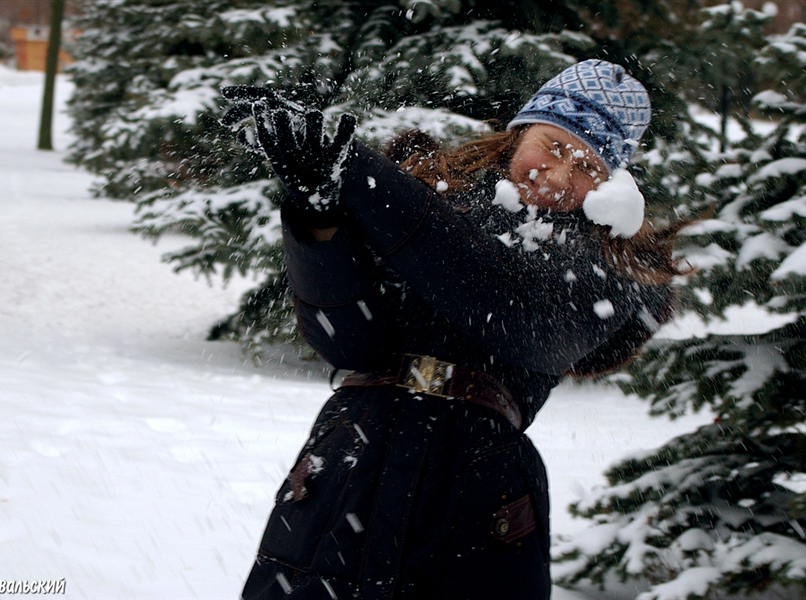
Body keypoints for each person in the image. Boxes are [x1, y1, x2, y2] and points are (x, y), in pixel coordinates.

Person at [222, 60, 688, 600]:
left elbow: (502, 302)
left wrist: (354, 170)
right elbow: (347, 342)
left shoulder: (610, 268)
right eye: (554, 147)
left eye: (588, 167)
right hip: (348, 463)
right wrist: (318, 215)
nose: (560, 176)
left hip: (476, 493)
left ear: (613, 187)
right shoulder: (426, 191)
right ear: (520, 132)